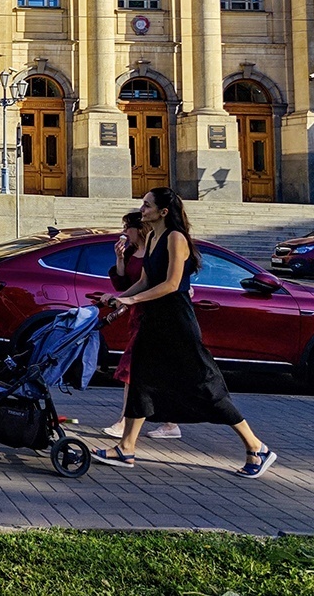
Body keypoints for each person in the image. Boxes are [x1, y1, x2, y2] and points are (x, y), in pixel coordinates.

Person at [93, 187, 277, 479]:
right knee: (141, 379)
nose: (142, 209)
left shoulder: (175, 238)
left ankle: (257, 447)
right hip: (153, 321)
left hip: (176, 322)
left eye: (147, 205)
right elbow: (145, 280)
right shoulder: (152, 237)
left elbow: (171, 284)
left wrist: (131, 300)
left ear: (163, 212)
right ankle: (126, 447)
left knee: (204, 386)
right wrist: (119, 297)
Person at [103, 210, 180, 442]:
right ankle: (170, 423)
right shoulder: (131, 252)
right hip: (137, 314)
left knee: (131, 367)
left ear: (140, 228)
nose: (124, 232)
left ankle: (124, 423)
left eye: (127, 228)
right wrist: (119, 260)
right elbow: (124, 283)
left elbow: (164, 282)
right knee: (152, 370)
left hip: (155, 314)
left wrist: (130, 299)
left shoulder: (159, 248)